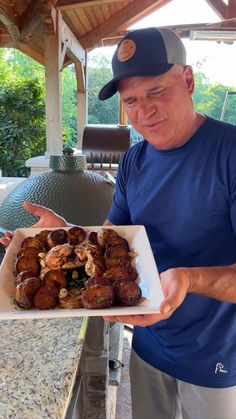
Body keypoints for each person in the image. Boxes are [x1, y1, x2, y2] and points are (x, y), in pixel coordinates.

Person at [2, 27, 236, 419]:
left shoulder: (229, 154)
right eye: (132, 100)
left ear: (189, 80)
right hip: (146, 340)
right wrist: (65, 235)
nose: (145, 111)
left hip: (216, 353)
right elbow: (116, 239)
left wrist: (190, 279)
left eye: (156, 92)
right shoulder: (133, 161)